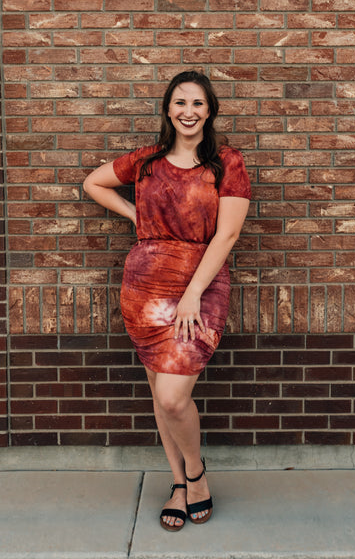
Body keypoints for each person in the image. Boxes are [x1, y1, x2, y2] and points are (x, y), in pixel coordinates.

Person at [83, 70, 251, 532]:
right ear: (167, 109)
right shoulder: (146, 161)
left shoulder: (226, 162)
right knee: (160, 393)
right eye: (180, 102)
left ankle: (196, 474)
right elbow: (93, 183)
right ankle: (179, 484)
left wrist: (193, 293)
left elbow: (227, 235)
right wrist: (135, 213)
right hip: (145, 288)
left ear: (209, 111)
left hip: (200, 286)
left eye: (197, 103)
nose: (188, 111)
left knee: (174, 396)